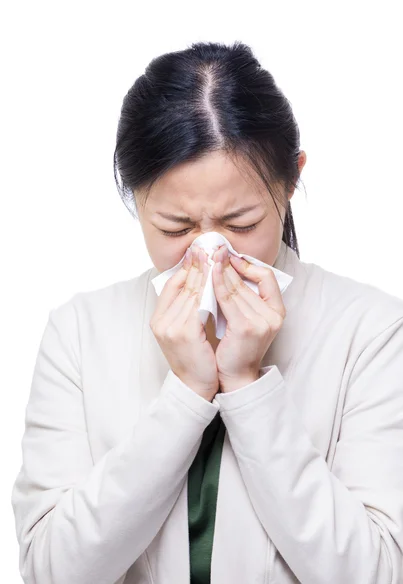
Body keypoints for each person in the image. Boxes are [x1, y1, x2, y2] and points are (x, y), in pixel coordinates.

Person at [10, 40, 403, 584]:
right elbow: (52, 571)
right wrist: (187, 393)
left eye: (241, 223)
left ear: (290, 184)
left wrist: (246, 385)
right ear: (134, 198)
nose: (209, 251)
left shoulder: (373, 331)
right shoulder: (79, 331)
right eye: (175, 228)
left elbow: (376, 573)